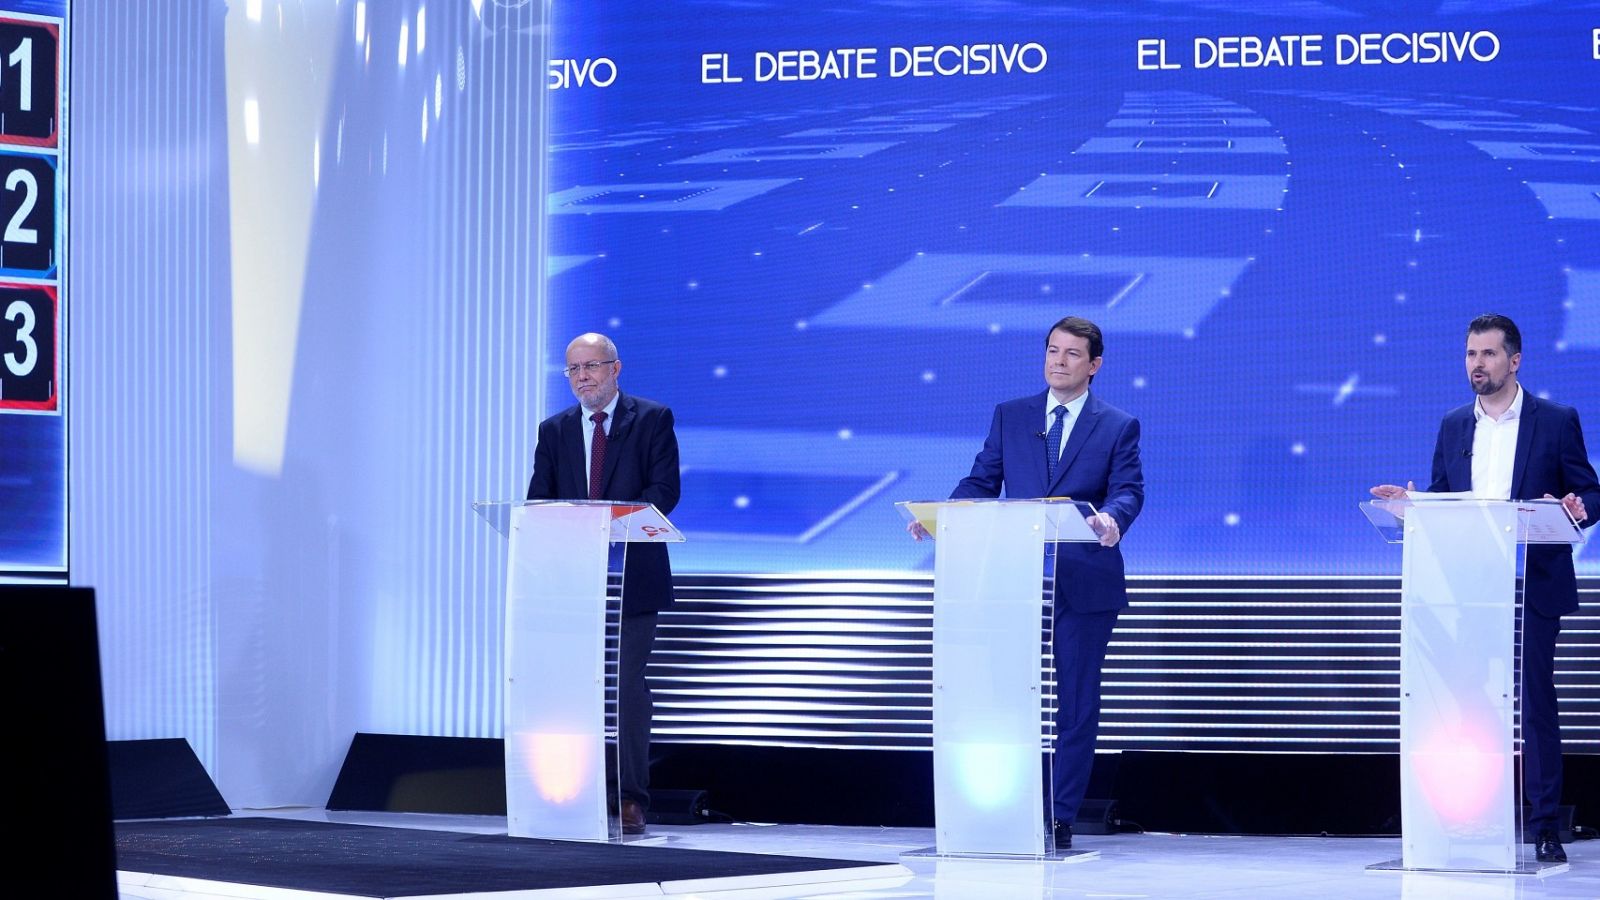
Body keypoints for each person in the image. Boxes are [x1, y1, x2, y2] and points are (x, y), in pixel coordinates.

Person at [1371, 313, 1600, 864]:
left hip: (1533, 584)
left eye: (1489, 354)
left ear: (1514, 361)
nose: (1478, 364)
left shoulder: (1555, 420)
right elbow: (1445, 500)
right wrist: (1412, 508)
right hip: (1469, 587)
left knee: (1534, 700)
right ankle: (1467, 818)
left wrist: (1576, 509)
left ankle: (1544, 824)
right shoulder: (1453, 425)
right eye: (1471, 354)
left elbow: (1591, 492)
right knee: (1467, 704)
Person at [914, 315, 1144, 850]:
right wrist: (942, 513)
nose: (1057, 361)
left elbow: (1128, 490)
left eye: (1070, 354)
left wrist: (1112, 519)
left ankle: (1059, 815)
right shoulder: (1011, 415)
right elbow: (981, 480)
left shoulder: (1117, 425)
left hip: (1083, 581)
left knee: (1077, 700)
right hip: (1009, 580)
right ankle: (1001, 808)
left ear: (1094, 366)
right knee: (1003, 696)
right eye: (1051, 350)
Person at [527, 332, 681, 835]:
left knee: (625, 688)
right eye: (573, 369)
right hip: (572, 582)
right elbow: (539, 502)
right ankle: (573, 791)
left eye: (592, 366)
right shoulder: (554, 431)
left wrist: (604, 524)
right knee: (570, 688)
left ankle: (631, 798)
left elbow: (664, 492)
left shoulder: (652, 419)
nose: (583, 377)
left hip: (632, 579)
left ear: (616, 368)